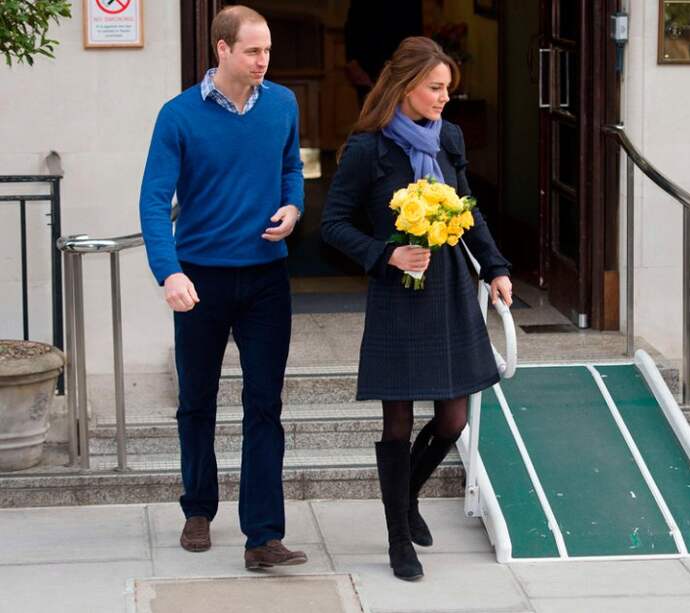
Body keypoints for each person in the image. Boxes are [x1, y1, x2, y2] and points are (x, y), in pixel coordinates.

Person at [321, 36, 513, 581]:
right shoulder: (368, 148)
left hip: (449, 286)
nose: (444, 97)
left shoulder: (448, 138)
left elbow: (469, 212)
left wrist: (495, 267)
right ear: (405, 87)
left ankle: (405, 499)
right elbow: (334, 226)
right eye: (434, 88)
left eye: (447, 88)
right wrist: (387, 255)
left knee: (453, 418)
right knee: (398, 424)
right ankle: (398, 537)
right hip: (397, 294)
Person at [139, 5, 307, 571]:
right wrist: (170, 272)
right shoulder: (178, 115)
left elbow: (291, 168)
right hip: (200, 277)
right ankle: (198, 508)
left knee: (265, 404)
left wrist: (293, 206)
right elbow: (153, 200)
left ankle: (262, 537)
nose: (264, 61)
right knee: (197, 401)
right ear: (222, 50)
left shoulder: (282, 103)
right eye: (253, 51)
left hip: (266, 278)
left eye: (267, 52)